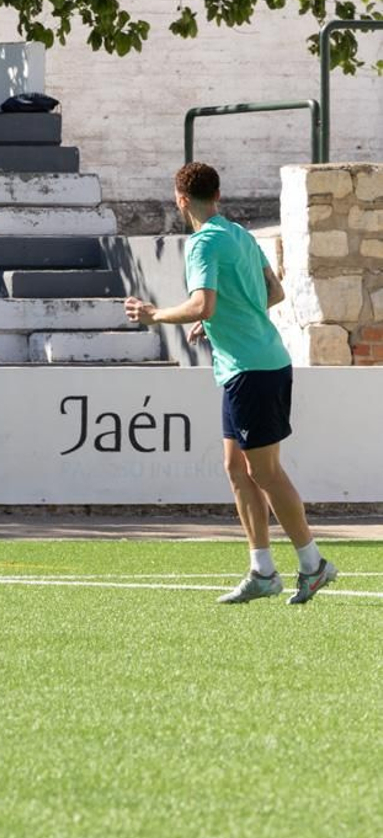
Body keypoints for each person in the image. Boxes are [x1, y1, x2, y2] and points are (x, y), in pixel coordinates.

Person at [124, 162, 335, 605]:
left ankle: (314, 565)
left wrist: (155, 315)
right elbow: (272, 293)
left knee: (265, 472)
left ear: (181, 199)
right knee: (236, 469)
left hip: (252, 369)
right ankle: (262, 571)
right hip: (256, 363)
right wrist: (219, 322)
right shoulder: (239, 234)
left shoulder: (203, 244)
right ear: (217, 195)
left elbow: (203, 303)